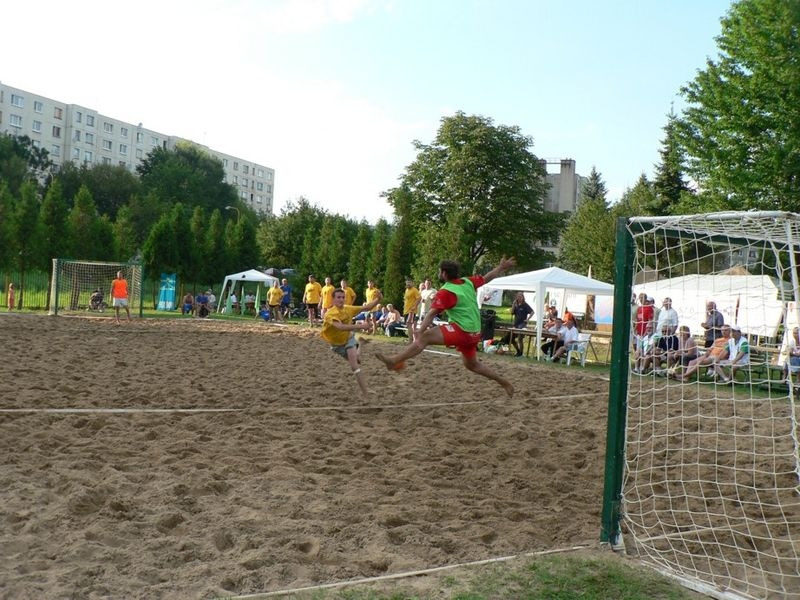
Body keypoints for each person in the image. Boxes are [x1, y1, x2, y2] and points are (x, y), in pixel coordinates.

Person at [375, 257, 516, 398]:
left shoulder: (446, 291)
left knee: (425, 337)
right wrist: (500, 268)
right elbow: (487, 278)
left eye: (439, 271)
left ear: (444, 273)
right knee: (472, 365)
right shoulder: (467, 282)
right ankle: (503, 382)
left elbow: (432, 313)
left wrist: (420, 330)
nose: (438, 273)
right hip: (475, 333)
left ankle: (394, 361)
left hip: (463, 331)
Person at [321, 287, 383, 396]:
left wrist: (378, 299)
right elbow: (340, 327)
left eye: (343, 297)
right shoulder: (330, 314)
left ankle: (366, 393)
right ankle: (361, 344)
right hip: (336, 345)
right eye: (338, 297)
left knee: (355, 366)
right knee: (357, 360)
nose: (341, 299)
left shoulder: (348, 308)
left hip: (348, 339)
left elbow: (367, 307)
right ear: (333, 299)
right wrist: (361, 326)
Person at [510, 292, 533, 357]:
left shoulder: (525, 305)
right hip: (516, 324)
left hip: (522, 324)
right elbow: (512, 312)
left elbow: (532, 312)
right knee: (511, 338)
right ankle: (518, 351)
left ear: (523, 297)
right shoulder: (516, 305)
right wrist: (513, 305)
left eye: (521, 296)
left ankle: (521, 353)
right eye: (518, 296)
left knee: (520, 339)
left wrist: (527, 319)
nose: (519, 298)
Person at [402, 277, 422, 343]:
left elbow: (419, 298)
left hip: (411, 310)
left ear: (412, 283)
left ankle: (411, 341)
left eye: (409, 282)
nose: (408, 284)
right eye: (407, 283)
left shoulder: (414, 290)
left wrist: (414, 306)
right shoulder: (406, 290)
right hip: (406, 310)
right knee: (408, 325)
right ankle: (411, 339)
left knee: (409, 324)